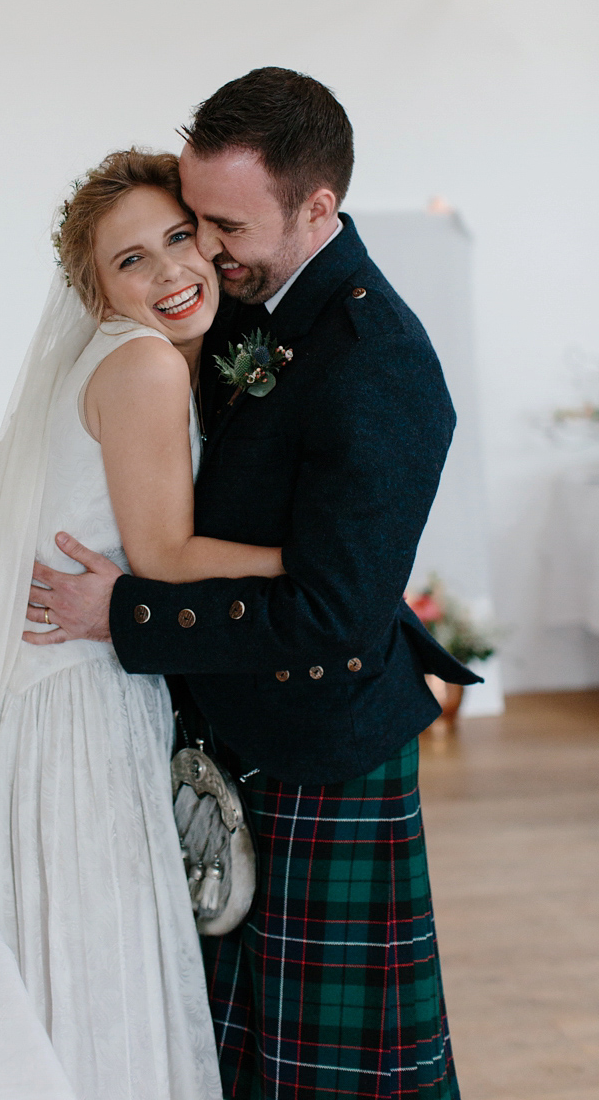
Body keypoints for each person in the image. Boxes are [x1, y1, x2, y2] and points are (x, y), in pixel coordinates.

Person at [25, 67, 479, 1099]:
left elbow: (332, 610)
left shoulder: (380, 362)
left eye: (222, 223)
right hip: (231, 733)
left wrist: (124, 611)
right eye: (193, 218)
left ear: (317, 207)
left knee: (334, 1076)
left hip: (322, 749)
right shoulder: (242, 299)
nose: (201, 247)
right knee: (238, 1053)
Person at [0, 148, 300, 1100]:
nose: (169, 271)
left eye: (178, 238)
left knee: (77, 964)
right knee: (102, 967)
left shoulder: (124, 363)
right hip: (75, 712)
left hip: (53, 699)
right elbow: (163, 558)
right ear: (95, 291)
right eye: (132, 261)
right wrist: (317, 561)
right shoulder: (143, 369)